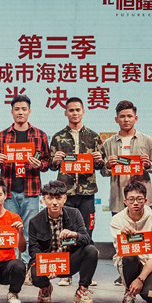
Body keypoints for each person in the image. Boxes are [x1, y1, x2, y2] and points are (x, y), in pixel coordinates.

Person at [100, 100, 152, 285]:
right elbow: (103, 171)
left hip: (141, 197)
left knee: (144, 235)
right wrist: (107, 165)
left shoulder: (146, 140)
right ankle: (125, 272)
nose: (126, 119)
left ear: (136, 118)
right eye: (122, 116)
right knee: (122, 237)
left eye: (129, 116)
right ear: (116, 119)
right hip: (119, 197)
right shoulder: (108, 143)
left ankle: (145, 270)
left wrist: (148, 164)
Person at [48, 97, 104, 287]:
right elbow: (50, 165)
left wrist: (99, 160)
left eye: (78, 110)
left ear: (83, 111)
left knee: (87, 232)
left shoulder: (94, 136)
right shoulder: (58, 137)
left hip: (87, 193)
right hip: (66, 194)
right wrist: (55, 160)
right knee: (65, 233)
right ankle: (66, 274)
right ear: (66, 112)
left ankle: (87, 273)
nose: (74, 113)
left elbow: (102, 165)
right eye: (71, 110)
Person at [0, 95, 50, 263]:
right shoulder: (2, 135)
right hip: (8, 192)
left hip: (30, 191)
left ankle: (26, 265)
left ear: (29, 111)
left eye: (24, 109)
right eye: (17, 109)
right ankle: (9, 264)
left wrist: (40, 164)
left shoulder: (40, 135)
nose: (20, 112)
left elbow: (47, 163)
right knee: (8, 230)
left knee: (29, 230)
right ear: (11, 112)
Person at [27, 181, 98, 303]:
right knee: (35, 274)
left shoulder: (75, 214)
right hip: (47, 262)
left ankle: (82, 290)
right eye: (50, 198)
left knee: (91, 251)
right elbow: (33, 249)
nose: (54, 202)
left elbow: (87, 239)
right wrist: (47, 265)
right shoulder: (35, 221)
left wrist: (75, 235)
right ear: (43, 200)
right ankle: (45, 287)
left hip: (68, 262)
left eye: (58, 198)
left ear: (64, 198)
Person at [110, 182, 152, 303]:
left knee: (151, 296)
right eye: (131, 199)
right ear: (125, 201)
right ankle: (129, 292)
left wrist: (140, 279)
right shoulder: (117, 220)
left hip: (149, 263)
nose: (135, 203)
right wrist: (124, 237)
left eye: (139, 199)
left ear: (145, 201)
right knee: (129, 257)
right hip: (129, 261)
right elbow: (121, 252)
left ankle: (140, 285)